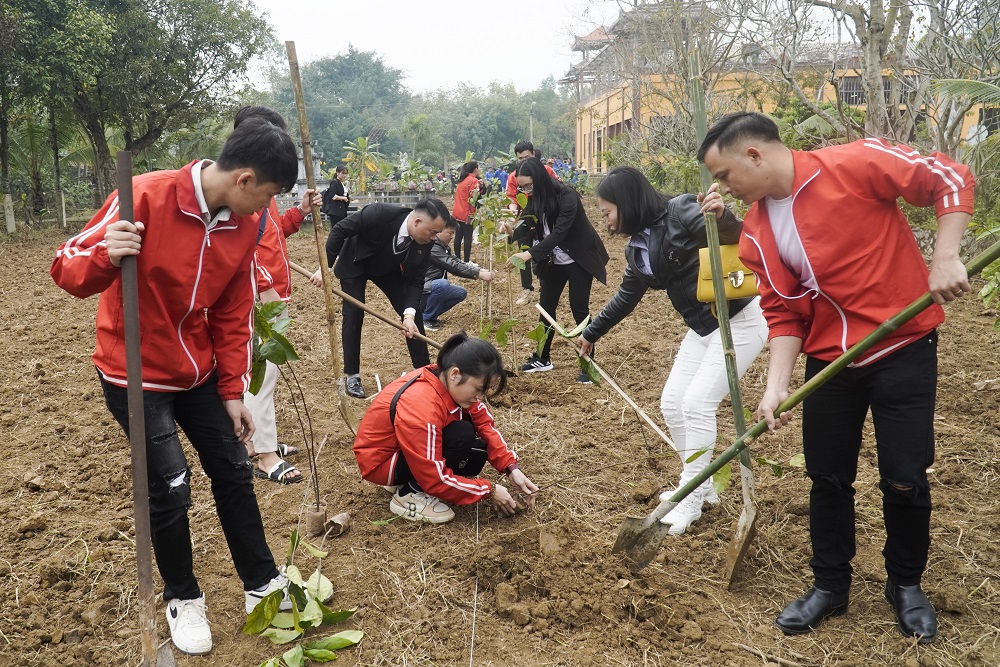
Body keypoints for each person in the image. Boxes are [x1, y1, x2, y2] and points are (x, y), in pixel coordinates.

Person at [698, 111, 974, 643]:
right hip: (829, 363)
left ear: (754, 155)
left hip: (903, 346)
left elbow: (950, 178)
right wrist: (777, 385)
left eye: (725, 174)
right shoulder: (757, 231)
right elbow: (785, 312)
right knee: (826, 476)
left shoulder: (856, 162)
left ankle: (906, 584)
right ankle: (830, 585)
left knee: (905, 474)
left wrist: (945, 256)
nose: (722, 188)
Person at [50, 120, 301, 656]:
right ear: (246, 179)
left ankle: (261, 579)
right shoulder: (144, 195)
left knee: (234, 469)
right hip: (135, 371)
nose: (268, 208)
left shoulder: (244, 227)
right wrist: (106, 254)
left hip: (199, 372)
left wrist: (233, 390)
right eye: (270, 195)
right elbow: (64, 268)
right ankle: (183, 598)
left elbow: (233, 312)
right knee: (169, 485)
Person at [577, 166, 767, 534]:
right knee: (671, 402)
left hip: (738, 320)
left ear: (627, 203)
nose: (608, 222)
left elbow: (738, 237)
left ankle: (691, 501)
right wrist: (593, 332)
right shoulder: (637, 248)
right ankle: (702, 484)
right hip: (701, 328)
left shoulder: (681, 211)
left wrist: (721, 216)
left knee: (696, 404)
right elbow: (625, 298)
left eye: (608, 212)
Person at [353, 332, 539, 523]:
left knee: (475, 449)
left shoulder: (443, 381)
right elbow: (435, 479)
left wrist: (511, 468)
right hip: (382, 463)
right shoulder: (422, 406)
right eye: (478, 389)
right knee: (462, 435)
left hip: (401, 449)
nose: (480, 397)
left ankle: (407, 481)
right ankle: (409, 493)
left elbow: (484, 424)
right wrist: (488, 490)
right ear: (455, 374)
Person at [231, 105, 321, 485]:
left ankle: (257, 441)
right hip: (259, 294)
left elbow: (274, 233)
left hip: (272, 291)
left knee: (267, 370)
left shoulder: (261, 192)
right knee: (260, 372)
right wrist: (265, 285)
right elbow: (242, 251)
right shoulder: (242, 190)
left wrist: (298, 213)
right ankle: (263, 453)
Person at [309, 197, 450, 399]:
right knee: (354, 312)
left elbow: (415, 281)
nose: (435, 237)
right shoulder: (380, 213)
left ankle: (424, 371)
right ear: (417, 222)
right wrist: (325, 268)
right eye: (433, 232)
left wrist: (408, 315)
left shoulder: (425, 241)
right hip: (355, 262)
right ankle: (352, 375)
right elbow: (340, 230)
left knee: (412, 311)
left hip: (385, 268)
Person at [504, 157, 609, 383]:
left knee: (579, 309)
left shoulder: (567, 196)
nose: (525, 190)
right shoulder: (534, 198)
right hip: (553, 261)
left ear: (540, 179)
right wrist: (512, 231)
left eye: (528, 185)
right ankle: (542, 357)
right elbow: (529, 227)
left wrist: (528, 253)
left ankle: (589, 364)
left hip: (579, 258)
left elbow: (558, 234)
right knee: (546, 308)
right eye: (521, 187)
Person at [504, 141, 561, 306]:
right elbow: (511, 197)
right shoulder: (514, 176)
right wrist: (514, 211)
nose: (523, 161)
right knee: (524, 253)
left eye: (526, 157)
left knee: (544, 252)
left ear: (533, 155)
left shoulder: (547, 172)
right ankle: (527, 288)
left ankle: (546, 287)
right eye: (520, 158)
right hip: (523, 220)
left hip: (543, 219)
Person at [422, 217, 496, 331]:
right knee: (443, 284)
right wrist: (477, 274)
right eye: (450, 233)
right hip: (422, 289)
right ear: (440, 230)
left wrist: (479, 270)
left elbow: (456, 261)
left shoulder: (443, 246)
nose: (451, 237)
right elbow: (452, 265)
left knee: (460, 293)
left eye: (453, 234)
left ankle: (429, 313)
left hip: (431, 287)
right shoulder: (432, 247)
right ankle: (425, 318)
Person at [452, 160, 481, 262]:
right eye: (479, 168)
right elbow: (474, 198)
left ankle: (457, 259)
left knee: (458, 236)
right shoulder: (474, 181)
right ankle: (466, 261)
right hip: (467, 213)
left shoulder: (462, 181)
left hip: (457, 213)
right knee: (468, 237)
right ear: (476, 169)